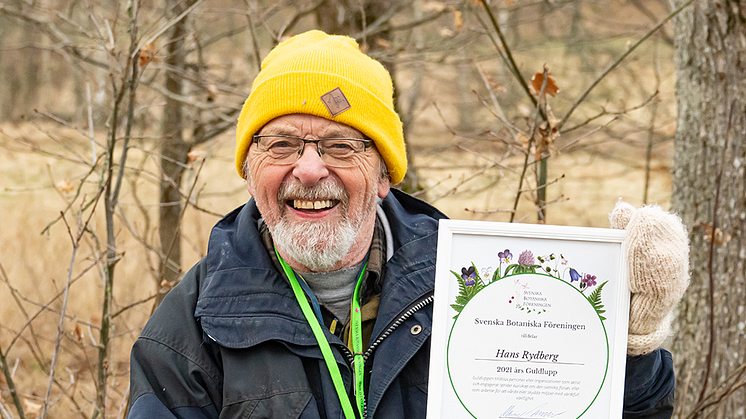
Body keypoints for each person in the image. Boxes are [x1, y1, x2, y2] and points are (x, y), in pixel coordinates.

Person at [127, 30, 689, 419]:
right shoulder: (192, 328)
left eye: (340, 145)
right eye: (281, 145)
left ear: (383, 175)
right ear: (251, 171)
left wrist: (631, 339)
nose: (309, 168)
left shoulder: (476, 285)